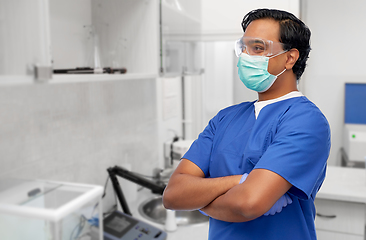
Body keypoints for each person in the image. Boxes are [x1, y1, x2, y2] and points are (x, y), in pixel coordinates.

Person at [162, 8, 331, 240]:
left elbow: (247, 203)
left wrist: (201, 200)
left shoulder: (306, 121)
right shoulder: (224, 118)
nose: (246, 56)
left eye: (258, 48)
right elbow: (173, 195)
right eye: (244, 48)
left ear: (290, 58)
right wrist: (241, 181)